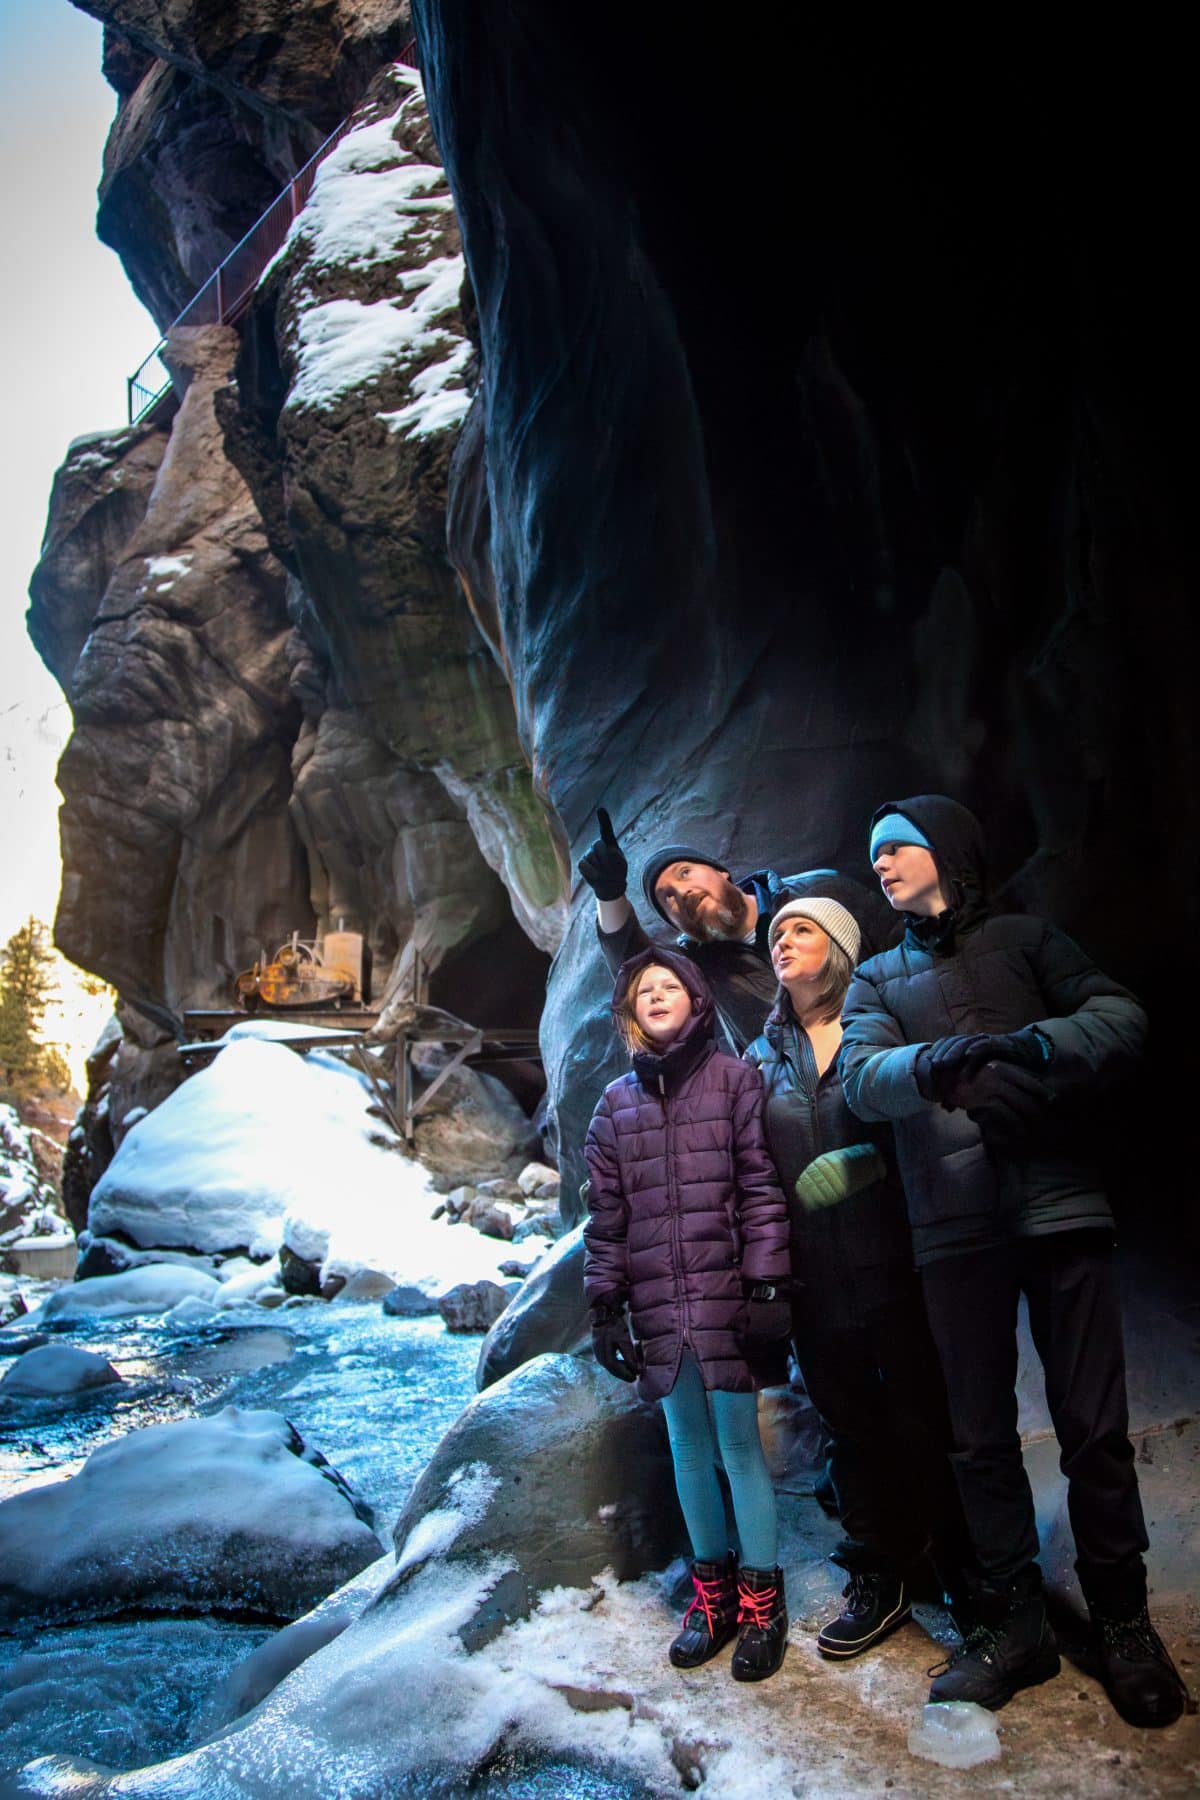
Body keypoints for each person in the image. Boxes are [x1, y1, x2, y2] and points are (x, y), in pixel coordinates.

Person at [839, 794, 1190, 1727]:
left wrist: (1028, 1045)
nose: (881, 864)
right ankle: (1016, 1625)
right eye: (873, 855)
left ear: (949, 849)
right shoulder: (874, 980)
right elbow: (863, 1078)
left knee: (1093, 1428)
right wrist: (946, 1063)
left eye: (897, 847)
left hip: (1058, 1206)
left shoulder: (1032, 940)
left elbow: (1121, 1015)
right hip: (953, 1231)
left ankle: (1122, 1622)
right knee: (979, 1439)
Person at [743, 896, 972, 1660]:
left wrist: (875, 1167)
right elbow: (751, 1172)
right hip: (816, 1278)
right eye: (776, 934)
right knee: (848, 1430)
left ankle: (963, 1570)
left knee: (924, 1418)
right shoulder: (760, 1056)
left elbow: (935, 1123)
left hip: (899, 1262)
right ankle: (879, 1574)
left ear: (839, 947)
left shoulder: (880, 1025)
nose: (784, 941)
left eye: (801, 929)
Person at [583, 947, 793, 1680]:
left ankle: (764, 1600)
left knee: (738, 1449)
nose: (657, 995)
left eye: (670, 985)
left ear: (697, 1000)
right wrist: (605, 1305)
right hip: (658, 1306)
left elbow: (763, 1190)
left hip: (725, 1298)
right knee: (686, 1451)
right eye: (644, 990)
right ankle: (714, 1598)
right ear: (629, 1011)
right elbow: (605, 1220)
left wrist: (768, 1286)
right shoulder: (615, 1104)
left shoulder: (736, 1082)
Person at [578, 807, 886, 1053]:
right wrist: (608, 894)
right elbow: (633, 966)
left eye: (685, 873)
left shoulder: (820, 889)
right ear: (675, 925)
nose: (680, 893)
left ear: (721, 871)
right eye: (667, 898)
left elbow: (899, 944)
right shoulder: (698, 967)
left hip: (889, 1058)